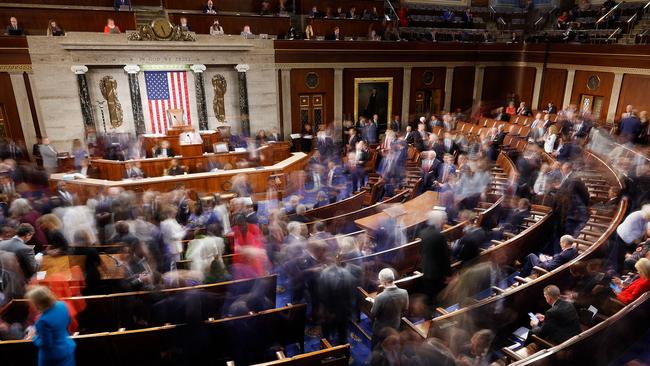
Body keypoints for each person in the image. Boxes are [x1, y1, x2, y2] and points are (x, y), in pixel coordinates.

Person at [25, 286, 76, 366]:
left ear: (38, 303)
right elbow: (67, 322)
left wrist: (33, 337)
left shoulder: (42, 321)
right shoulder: (62, 305)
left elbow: (46, 344)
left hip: (53, 356)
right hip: (67, 346)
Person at [418, 210, 451, 305]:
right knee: (437, 298)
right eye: (443, 220)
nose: (445, 222)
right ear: (439, 221)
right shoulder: (439, 236)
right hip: (437, 273)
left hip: (425, 269)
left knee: (429, 295)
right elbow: (445, 258)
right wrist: (448, 275)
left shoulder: (422, 233)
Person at [370, 268, 409, 348]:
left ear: (383, 282)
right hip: (395, 326)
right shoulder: (404, 292)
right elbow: (405, 309)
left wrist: (374, 303)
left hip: (381, 329)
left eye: (380, 280)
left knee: (376, 347)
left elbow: (373, 314)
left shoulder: (380, 297)